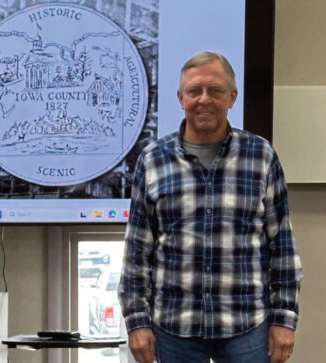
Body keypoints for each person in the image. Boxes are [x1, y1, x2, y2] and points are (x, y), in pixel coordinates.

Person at [118, 51, 303, 363]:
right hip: (174, 327)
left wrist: (284, 319)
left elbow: (282, 246)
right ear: (181, 98)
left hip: (247, 326)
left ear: (232, 97)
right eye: (194, 91)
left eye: (215, 90)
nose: (204, 99)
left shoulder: (261, 157)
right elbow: (137, 251)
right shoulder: (153, 160)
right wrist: (136, 322)